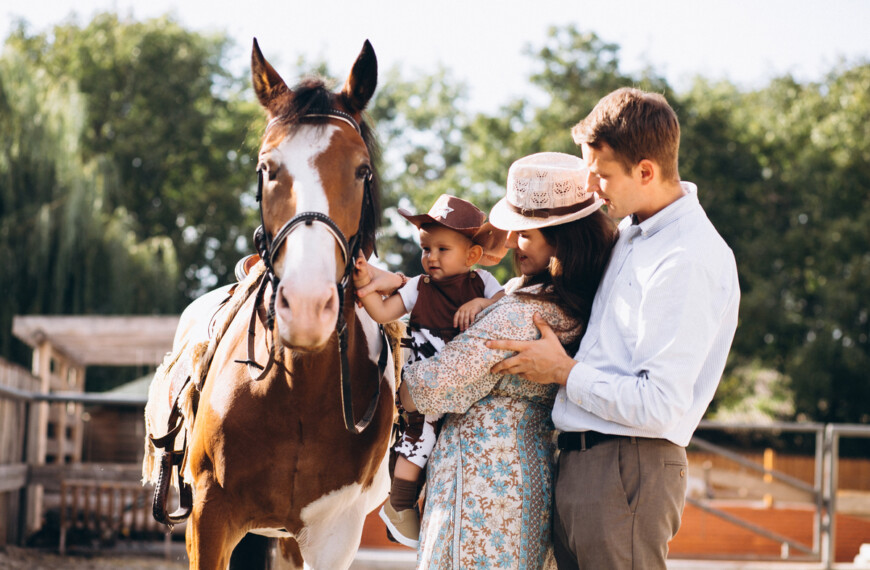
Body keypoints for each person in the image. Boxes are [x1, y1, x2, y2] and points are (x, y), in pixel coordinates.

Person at [486, 88, 741, 569]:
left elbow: (660, 404)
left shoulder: (687, 258)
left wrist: (564, 372)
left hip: (628, 468)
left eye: (601, 174)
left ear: (646, 171)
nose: (591, 187)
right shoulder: (630, 233)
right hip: (585, 464)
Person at [360, 152, 616, 568]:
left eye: (526, 234)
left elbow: (432, 387)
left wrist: (407, 386)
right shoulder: (566, 304)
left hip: (482, 483)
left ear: (561, 241)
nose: (512, 242)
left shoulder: (523, 315)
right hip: (527, 472)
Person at [353, 193, 508, 548]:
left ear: (471, 256)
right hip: (427, 383)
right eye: (426, 249)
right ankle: (401, 504)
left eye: (442, 249)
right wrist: (364, 283)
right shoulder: (416, 287)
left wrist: (482, 302)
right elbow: (382, 312)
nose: (431, 257)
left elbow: (505, 304)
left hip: (468, 383)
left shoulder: (481, 283)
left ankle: (439, 506)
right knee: (418, 443)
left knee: (452, 446)